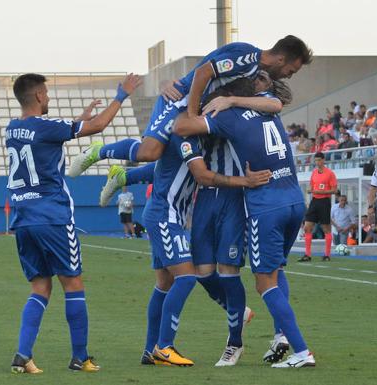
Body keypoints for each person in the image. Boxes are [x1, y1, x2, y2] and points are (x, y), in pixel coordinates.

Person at [174, 80, 316, 369]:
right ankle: (279, 335)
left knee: (256, 277)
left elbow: (181, 127)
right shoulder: (262, 104)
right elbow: (276, 102)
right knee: (255, 270)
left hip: (250, 200)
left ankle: (249, 343)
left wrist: (185, 100)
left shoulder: (223, 115)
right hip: (285, 198)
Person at [6, 72, 142, 374]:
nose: (49, 98)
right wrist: (121, 95)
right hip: (52, 216)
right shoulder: (46, 126)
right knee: (73, 284)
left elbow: (51, 133)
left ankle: (22, 355)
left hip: (24, 218)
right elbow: (97, 127)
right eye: (47, 94)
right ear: (40, 96)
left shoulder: (12, 128)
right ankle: (80, 358)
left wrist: (81, 118)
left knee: (40, 287)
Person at [68, 35, 312, 177]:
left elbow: (274, 102)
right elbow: (203, 73)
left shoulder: (254, 67)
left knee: (175, 162)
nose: (289, 75)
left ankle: (122, 178)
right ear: (281, 59)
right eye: (291, 70)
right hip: (180, 100)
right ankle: (98, 151)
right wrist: (192, 114)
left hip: (192, 104)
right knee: (149, 152)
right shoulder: (246, 58)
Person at [300, 152, 337, 262]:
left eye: (319, 160)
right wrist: (311, 190)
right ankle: (307, 254)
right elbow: (312, 186)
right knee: (307, 227)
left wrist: (321, 191)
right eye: (316, 160)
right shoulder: (314, 173)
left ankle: (327, 255)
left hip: (324, 202)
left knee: (326, 228)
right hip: (314, 201)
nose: (317, 162)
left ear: (323, 160)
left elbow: (334, 190)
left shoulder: (330, 173)